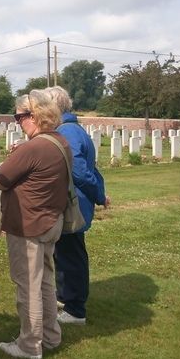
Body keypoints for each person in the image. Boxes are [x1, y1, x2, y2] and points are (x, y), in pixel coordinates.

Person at [0, 90, 70, 359]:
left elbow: (1, 178)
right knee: (46, 282)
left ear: (34, 116)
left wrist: (14, 157)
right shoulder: (59, 141)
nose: (17, 122)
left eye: (19, 117)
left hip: (28, 225)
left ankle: (29, 345)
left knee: (27, 285)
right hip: (52, 221)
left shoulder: (34, 147)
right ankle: (50, 336)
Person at [46, 86, 108, 326]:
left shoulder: (67, 131)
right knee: (65, 254)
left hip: (75, 204)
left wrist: (99, 195)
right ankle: (66, 297)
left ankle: (75, 310)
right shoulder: (70, 128)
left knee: (71, 257)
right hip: (75, 202)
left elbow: (79, 171)